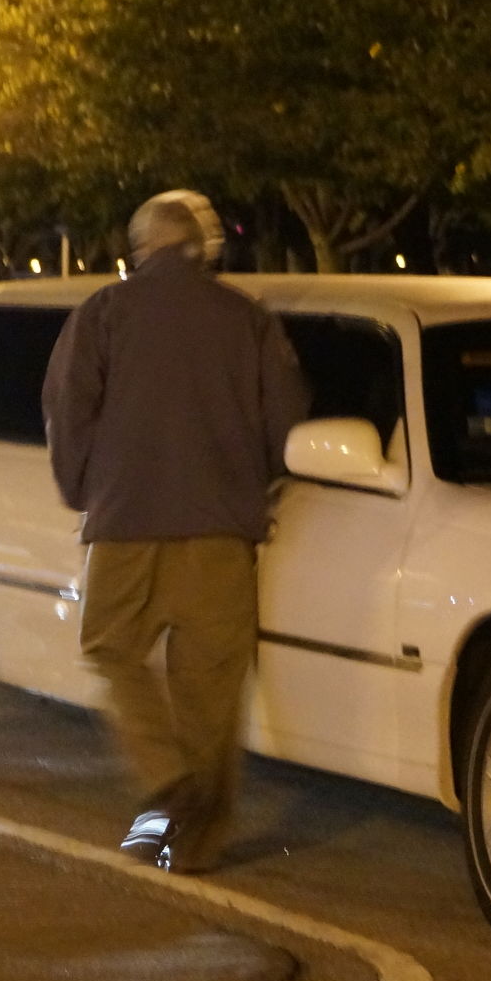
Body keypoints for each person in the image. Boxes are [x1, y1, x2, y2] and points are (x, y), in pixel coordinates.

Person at [43, 189, 308, 875]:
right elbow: (287, 423)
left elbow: (68, 410)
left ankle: (162, 773)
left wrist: (82, 490)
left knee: (109, 646)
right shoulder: (246, 319)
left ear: (140, 250)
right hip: (222, 533)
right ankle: (196, 845)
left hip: (126, 524)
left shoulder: (104, 313)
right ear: (203, 248)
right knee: (213, 691)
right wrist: (261, 486)